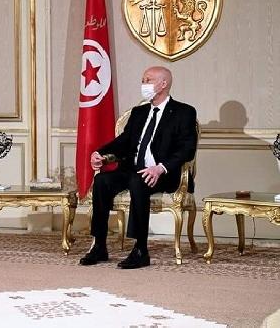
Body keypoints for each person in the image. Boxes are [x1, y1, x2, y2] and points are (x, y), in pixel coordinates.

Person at [79, 67, 197, 269]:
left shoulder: (184, 112)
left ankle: (140, 249)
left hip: (162, 173)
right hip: (132, 169)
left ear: (163, 84)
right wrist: (100, 153)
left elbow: (187, 149)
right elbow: (123, 142)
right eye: (143, 80)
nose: (144, 84)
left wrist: (160, 168)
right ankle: (99, 245)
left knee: (138, 181)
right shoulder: (139, 112)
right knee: (101, 180)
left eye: (148, 80)